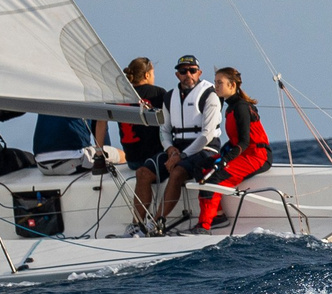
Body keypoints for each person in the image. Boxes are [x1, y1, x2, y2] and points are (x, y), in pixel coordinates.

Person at [194, 67, 274, 231]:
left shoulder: (241, 107)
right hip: (244, 154)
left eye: (220, 82)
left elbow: (244, 142)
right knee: (200, 166)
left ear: (232, 85)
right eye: (215, 82)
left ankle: (204, 225)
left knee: (215, 178)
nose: (216, 86)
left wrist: (225, 160)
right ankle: (217, 216)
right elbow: (234, 141)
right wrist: (220, 156)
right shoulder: (230, 107)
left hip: (258, 156)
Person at [153, 55, 224, 232]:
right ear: (177, 74)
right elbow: (164, 130)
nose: (188, 75)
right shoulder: (169, 97)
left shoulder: (210, 94)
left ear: (199, 72)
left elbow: (206, 134)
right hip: (178, 148)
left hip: (206, 147)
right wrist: (170, 149)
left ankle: (157, 222)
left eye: (192, 71)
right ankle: (137, 224)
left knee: (177, 172)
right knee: (144, 172)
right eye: (183, 71)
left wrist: (182, 156)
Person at [117, 57, 169, 230]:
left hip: (131, 160)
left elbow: (100, 122)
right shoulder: (158, 93)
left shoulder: (119, 94)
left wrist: (100, 152)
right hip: (151, 159)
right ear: (147, 74)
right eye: (153, 73)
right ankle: (146, 222)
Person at [31, 112, 108, 164]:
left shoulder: (47, 90)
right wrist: (101, 154)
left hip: (41, 162)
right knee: (118, 154)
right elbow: (101, 122)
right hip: (74, 158)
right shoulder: (92, 91)